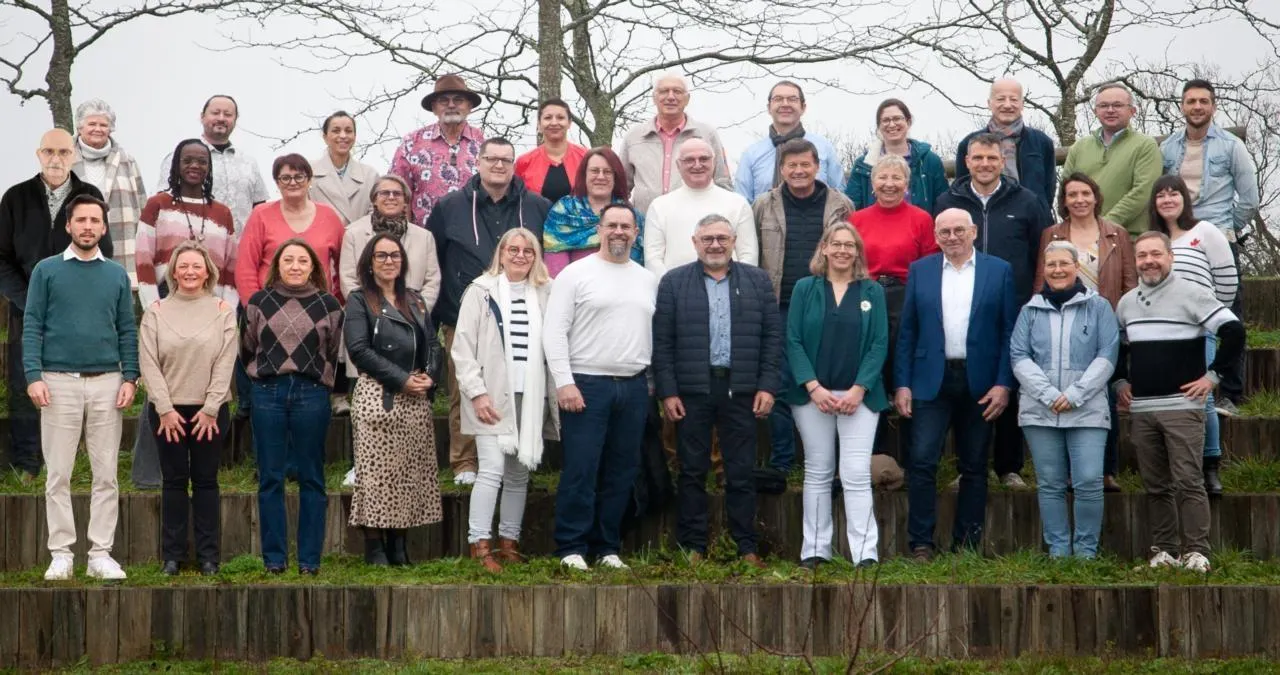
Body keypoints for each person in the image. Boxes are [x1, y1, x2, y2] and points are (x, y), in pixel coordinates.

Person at [653, 214, 780, 569]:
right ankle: (693, 546)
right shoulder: (674, 282)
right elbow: (662, 342)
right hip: (692, 389)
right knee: (692, 471)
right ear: (695, 243)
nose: (715, 245)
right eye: (707, 238)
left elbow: (772, 338)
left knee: (741, 472)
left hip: (742, 388)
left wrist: (767, 386)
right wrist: (668, 392)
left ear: (734, 241)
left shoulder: (757, 281)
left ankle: (746, 547)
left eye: (722, 238)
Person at [1114, 232, 1245, 573]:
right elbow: (1119, 349)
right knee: (1156, 485)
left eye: (1156, 254)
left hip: (1183, 408)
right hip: (1143, 409)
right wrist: (1120, 381)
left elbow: (1234, 331)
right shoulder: (1126, 303)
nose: (1149, 261)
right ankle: (1165, 551)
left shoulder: (1192, 294)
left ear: (1170, 257)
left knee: (1188, 481)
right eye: (1142, 255)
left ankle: (1197, 551)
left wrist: (1213, 377)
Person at [23, 194, 136, 581]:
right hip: (57, 382)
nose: (88, 226)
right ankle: (61, 554)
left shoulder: (116, 275)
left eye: (95, 221)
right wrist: (33, 375)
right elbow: (32, 324)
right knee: (58, 473)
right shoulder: (46, 271)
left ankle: (100, 554)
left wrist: (130, 376)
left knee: (106, 474)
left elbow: (127, 329)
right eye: (81, 220)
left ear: (104, 228)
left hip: (107, 382)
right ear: (68, 225)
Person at [895, 209, 1017, 560]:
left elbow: (1009, 332)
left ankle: (967, 545)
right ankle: (921, 543)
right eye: (944, 231)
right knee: (921, 462)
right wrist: (902, 384)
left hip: (981, 382)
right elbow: (907, 331)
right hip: (929, 380)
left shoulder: (999, 270)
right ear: (935, 236)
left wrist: (1003, 383)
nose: (952, 237)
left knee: (975, 465)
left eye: (959, 230)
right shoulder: (921, 270)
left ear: (973, 231)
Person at [934, 132, 1053, 489]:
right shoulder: (947, 200)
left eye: (991, 158)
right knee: (969, 387)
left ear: (1003, 161)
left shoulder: (1027, 201)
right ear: (966, 162)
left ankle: (1008, 466)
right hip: (961, 305)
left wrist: (1034, 297)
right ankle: (969, 466)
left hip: (1013, 305)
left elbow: (1041, 252)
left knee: (1009, 383)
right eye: (977, 158)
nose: (984, 164)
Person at [428, 137, 550, 485]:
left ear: (514, 165)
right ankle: (465, 461)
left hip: (521, 312)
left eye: (506, 160)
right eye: (491, 159)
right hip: (463, 313)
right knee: (463, 388)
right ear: (478, 162)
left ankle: (518, 457)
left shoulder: (537, 206)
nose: (499, 165)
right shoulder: (449, 206)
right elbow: (436, 259)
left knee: (518, 386)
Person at [545, 204, 657, 571]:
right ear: (599, 230)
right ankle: (571, 546)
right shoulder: (575, 274)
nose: (619, 232)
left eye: (626, 226)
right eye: (612, 225)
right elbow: (554, 331)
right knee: (581, 468)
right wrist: (564, 382)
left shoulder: (647, 279)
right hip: (586, 383)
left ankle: (607, 546)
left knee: (622, 470)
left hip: (634, 386)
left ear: (636, 233)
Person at [0, 129, 110, 483]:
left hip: (76, 310)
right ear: (38, 154)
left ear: (73, 156)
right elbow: (2, 258)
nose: (56, 158)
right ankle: (27, 462)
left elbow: (101, 251)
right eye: (49, 151)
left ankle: (63, 461)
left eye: (63, 152)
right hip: (25, 306)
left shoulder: (89, 196)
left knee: (70, 383)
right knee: (24, 381)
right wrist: (29, 300)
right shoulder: (16, 197)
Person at [132, 138, 238, 491]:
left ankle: (207, 463)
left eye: (202, 161)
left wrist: (226, 309)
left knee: (210, 383)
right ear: (176, 165)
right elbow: (143, 258)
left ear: (209, 168)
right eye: (188, 160)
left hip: (212, 307)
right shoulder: (158, 205)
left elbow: (230, 266)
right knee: (161, 388)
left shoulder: (222, 213)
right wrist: (153, 306)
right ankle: (149, 473)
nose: (195, 166)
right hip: (167, 300)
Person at [782, 224, 889, 570]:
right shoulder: (805, 288)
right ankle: (815, 550)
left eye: (849, 245)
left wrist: (860, 388)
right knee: (818, 470)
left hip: (860, 397)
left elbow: (879, 343)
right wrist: (813, 387)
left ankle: (865, 553)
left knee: (856, 472)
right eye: (836, 244)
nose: (843, 250)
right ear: (824, 249)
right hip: (813, 396)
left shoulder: (872, 291)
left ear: (857, 252)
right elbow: (793, 340)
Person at [453, 228, 558, 572]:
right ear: (500, 253)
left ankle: (509, 542)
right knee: (491, 469)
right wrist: (477, 393)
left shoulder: (546, 291)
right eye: (513, 249)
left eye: (528, 251)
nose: (520, 256)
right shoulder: (481, 291)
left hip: (531, 394)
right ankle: (480, 543)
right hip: (492, 395)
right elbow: (462, 349)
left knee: (518, 473)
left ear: (536, 257)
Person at [753, 138, 856, 473]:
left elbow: (851, 251)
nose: (798, 171)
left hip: (830, 304)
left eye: (805, 164)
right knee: (782, 382)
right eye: (791, 165)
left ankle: (835, 464)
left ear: (817, 166)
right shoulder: (763, 205)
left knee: (831, 378)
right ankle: (783, 461)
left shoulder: (841, 205)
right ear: (782, 169)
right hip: (780, 305)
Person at [241, 239, 343, 575]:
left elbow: (332, 352)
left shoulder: (328, 305)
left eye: (302, 260)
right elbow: (247, 348)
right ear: (277, 266)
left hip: (311, 394)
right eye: (288, 260)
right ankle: (274, 558)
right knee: (270, 477)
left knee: (312, 476)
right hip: (268, 392)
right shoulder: (259, 302)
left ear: (313, 266)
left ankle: (309, 560)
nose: (295, 266)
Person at [1011, 241, 1119, 559]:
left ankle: (1085, 552)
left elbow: (1107, 356)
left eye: (1064, 264)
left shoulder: (1099, 307)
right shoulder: (1029, 311)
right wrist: (1048, 394)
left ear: (1077, 267)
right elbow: (1019, 356)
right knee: (1050, 483)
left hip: (1088, 409)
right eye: (1051, 264)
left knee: (1088, 480)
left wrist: (1074, 395)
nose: (1057, 270)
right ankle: (1058, 551)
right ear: (1044, 269)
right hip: (1039, 409)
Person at [1160, 79, 1258, 416]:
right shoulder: (1168, 148)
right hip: (1178, 241)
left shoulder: (1231, 146)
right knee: (1179, 312)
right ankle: (1179, 385)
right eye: (1191, 101)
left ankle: (1230, 392)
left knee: (1229, 315)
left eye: (1204, 101)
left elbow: (1249, 198)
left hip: (1218, 238)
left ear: (1213, 106)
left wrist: (1226, 230)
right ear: (1182, 106)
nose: (1197, 107)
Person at [138, 242, 236, 576]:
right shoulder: (156, 311)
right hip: (168, 412)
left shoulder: (222, 310)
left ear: (208, 271)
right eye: (183, 266)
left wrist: (211, 407)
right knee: (174, 482)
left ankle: (209, 556)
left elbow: (225, 362)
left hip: (210, 411)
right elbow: (149, 363)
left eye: (196, 266)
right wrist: (164, 408)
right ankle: (173, 556)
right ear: (174, 272)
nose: (190, 272)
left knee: (206, 481)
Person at [344, 234, 443, 567]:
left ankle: (399, 546)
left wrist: (430, 376)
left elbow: (433, 344)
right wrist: (401, 380)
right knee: (376, 476)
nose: (389, 261)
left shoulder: (415, 300)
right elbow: (359, 350)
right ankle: (374, 546)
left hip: (415, 396)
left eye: (395, 255)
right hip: (378, 394)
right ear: (369, 263)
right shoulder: (359, 300)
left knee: (407, 473)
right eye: (381, 256)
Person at [1034, 172, 1136, 492]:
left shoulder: (1117, 234)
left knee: (1104, 397)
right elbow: (1041, 280)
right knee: (1065, 394)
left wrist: (1125, 326)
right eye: (1072, 194)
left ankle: (1105, 470)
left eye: (1085, 193)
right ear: (1063, 201)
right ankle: (1067, 471)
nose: (1079, 200)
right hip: (1061, 324)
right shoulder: (1051, 235)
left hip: (1105, 326)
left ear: (1096, 197)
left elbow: (1130, 284)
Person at [1148, 175, 1239, 495]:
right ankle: (1175, 466)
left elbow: (1227, 279)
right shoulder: (1152, 239)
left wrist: (1211, 315)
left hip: (1199, 329)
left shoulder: (1205, 231)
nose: (1167, 200)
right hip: (1160, 332)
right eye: (1161, 195)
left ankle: (1210, 464)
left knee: (1202, 397)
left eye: (1174, 194)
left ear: (1185, 199)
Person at [849, 154, 939, 457]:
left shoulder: (921, 219)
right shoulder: (857, 220)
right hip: (867, 296)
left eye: (896, 178)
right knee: (870, 368)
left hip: (907, 296)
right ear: (872, 184)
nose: (889, 184)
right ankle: (871, 455)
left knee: (905, 369)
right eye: (883, 178)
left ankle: (913, 458)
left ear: (907, 183)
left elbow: (930, 265)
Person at [236, 154, 345, 303]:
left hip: (319, 307)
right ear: (277, 182)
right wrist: (255, 306)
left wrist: (335, 304)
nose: (293, 182)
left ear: (309, 180)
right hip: (269, 306)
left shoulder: (329, 216)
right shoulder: (261, 215)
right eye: (285, 178)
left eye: (299, 177)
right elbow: (245, 268)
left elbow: (343, 267)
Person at [618, 73, 733, 214]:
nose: (671, 97)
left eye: (677, 91)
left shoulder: (706, 135)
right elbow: (621, 189)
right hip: (645, 223)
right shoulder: (634, 137)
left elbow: (722, 183)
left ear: (687, 99)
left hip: (696, 222)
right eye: (664, 91)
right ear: (654, 98)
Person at [155, 95, 270, 234]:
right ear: (202, 117)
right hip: (194, 243)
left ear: (235, 119)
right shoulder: (180, 157)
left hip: (242, 245)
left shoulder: (249, 163)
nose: (221, 118)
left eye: (228, 114)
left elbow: (260, 208)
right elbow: (163, 203)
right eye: (215, 113)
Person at [1062, 83, 1163, 237]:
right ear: (1095, 111)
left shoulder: (1145, 145)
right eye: (1103, 105)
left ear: (1132, 111)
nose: (1110, 110)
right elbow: (1065, 191)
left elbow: (1143, 192)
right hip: (1081, 238)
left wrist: (1103, 225)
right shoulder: (1079, 147)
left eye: (1117, 105)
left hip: (1128, 238)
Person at [644, 138, 756, 277]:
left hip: (729, 288)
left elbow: (748, 255)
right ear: (678, 165)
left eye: (704, 159)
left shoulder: (738, 204)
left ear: (714, 162)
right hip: (676, 289)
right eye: (689, 160)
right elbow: (653, 259)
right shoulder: (659, 206)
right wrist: (670, 286)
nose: (697, 165)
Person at [389, 74, 486, 228]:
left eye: (458, 100)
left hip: (474, 237)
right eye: (444, 100)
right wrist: (405, 236)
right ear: (434, 108)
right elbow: (396, 192)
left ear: (470, 107)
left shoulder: (485, 145)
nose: (451, 105)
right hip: (425, 237)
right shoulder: (412, 143)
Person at [71, 99, 147, 287]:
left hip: (121, 244)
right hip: (76, 242)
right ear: (79, 127)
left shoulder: (127, 161)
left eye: (103, 125)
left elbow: (142, 204)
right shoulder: (64, 159)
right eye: (92, 124)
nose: (98, 129)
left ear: (111, 129)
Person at [734, 80, 845, 204]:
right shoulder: (751, 154)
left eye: (792, 99)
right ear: (769, 108)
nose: (785, 104)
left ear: (803, 107)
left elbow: (840, 197)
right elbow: (742, 203)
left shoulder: (824, 148)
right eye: (778, 99)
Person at [954, 78, 1057, 209]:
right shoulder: (969, 143)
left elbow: (1049, 188)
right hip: (985, 215)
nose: (1007, 105)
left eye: (1013, 99)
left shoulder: (1041, 142)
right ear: (989, 103)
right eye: (1001, 99)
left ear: (1022, 104)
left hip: (1033, 216)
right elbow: (962, 188)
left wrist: (1041, 210)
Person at [542, 147, 643, 276]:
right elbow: (556, 271)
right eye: (594, 171)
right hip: (577, 285)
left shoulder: (631, 216)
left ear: (615, 176)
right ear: (584, 175)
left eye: (607, 172)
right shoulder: (563, 212)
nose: (601, 177)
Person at [844, 99, 947, 212]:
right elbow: (851, 207)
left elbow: (942, 205)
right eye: (885, 120)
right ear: (879, 126)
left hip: (920, 223)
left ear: (908, 122)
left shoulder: (929, 161)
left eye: (897, 118)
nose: (892, 124)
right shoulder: (863, 165)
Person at [309, 111, 380, 226]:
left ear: (355, 137)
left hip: (360, 237)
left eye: (348, 131)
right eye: (336, 131)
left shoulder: (370, 175)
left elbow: (375, 215)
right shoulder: (308, 172)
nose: (343, 136)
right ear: (325, 137)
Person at [515, 98, 589, 205]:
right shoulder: (524, 162)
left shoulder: (586, 158)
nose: (554, 123)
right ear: (539, 124)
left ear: (569, 123)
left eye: (560, 117)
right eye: (548, 118)